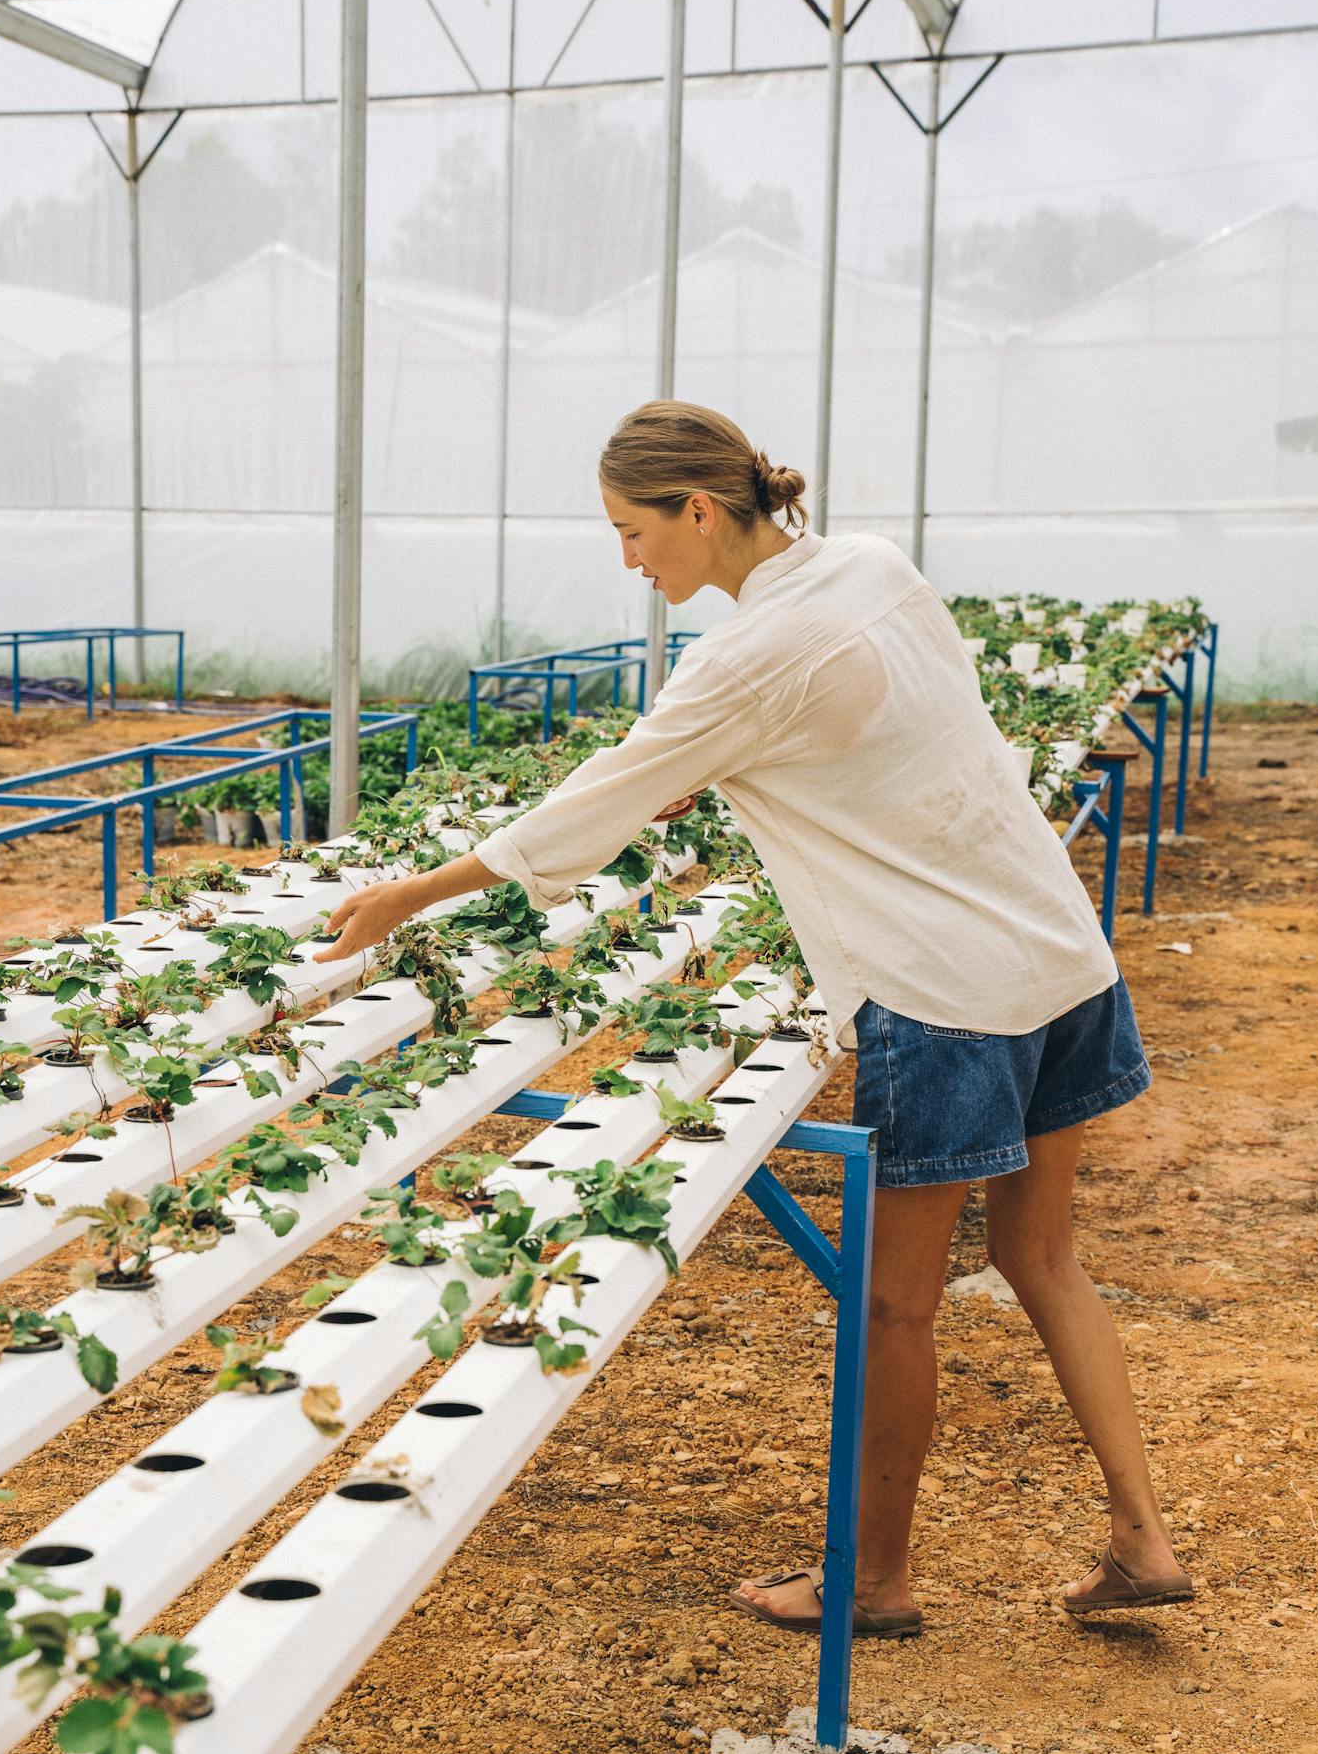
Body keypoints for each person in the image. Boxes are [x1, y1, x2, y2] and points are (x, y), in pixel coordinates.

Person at [315, 399, 1194, 1637]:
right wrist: (716, 770)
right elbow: (862, 735)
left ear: (701, 510)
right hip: (1054, 951)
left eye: (634, 532)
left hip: (944, 995)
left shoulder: (735, 661)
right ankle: (1142, 1536)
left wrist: (413, 892)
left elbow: (587, 807)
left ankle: (871, 1581)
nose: (630, 561)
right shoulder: (874, 569)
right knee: (1043, 1258)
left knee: (895, 1304)